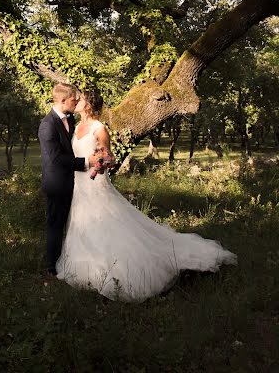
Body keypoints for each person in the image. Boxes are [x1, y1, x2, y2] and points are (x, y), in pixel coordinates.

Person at [56, 89, 237, 302]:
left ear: (89, 103)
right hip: (80, 185)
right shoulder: (76, 127)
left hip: (96, 183)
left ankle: (118, 269)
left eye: (81, 98)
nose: (77, 101)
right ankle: (85, 265)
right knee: (83, 222)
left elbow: (108, 157)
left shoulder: (99, 128)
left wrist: (99, 165)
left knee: (105, 223)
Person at [38, 83, 98, 277]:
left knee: (76, 222)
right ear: (63, 100)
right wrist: (87, 162)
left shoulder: (71, 118)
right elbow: (56, 159)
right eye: (74, 99)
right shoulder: (47, 125)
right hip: (57, 184)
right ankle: (52, 266)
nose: (77, 101)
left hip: (77, 183)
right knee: (56, 224)